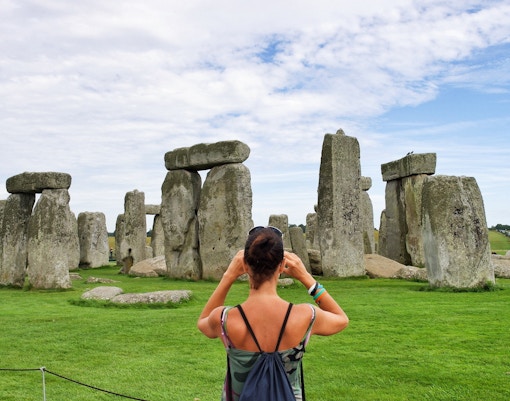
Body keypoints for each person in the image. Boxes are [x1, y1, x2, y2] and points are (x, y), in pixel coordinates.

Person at [197, 226, 349, 400]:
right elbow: (341, 319)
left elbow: (203, 321)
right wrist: (307, 278)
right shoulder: (305, 315)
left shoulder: (224, 318)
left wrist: (228, 276)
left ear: (245, 265)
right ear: (281, 266)